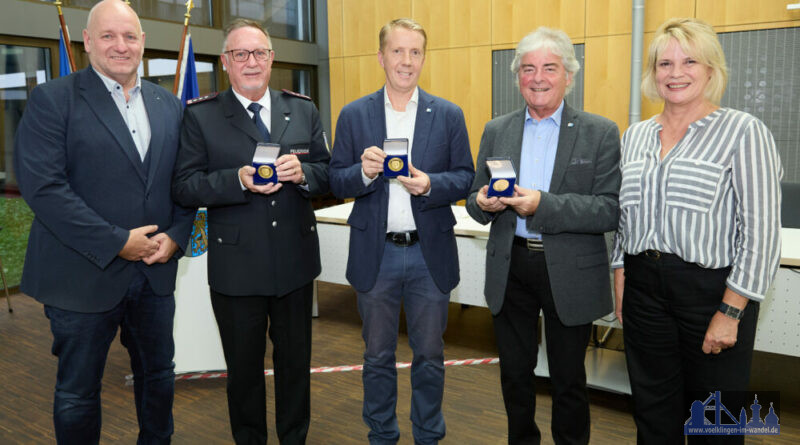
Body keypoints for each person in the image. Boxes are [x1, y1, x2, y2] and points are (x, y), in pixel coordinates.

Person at [12, 1, 194, 443]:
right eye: (108, 36)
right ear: (87, 41)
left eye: (130, 36)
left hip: (154, 274)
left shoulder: (169, 105)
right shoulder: (52, 100)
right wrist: (117, 241)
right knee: (77, 394)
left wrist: (176, 235)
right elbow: (45, 190)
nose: (121, 45)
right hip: (81, 274)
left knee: (158, 381)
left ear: (144, 44)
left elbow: (186, 182)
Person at [611, 18, 782, 444]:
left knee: (716, 423)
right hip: (643, 288)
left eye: (689, 61)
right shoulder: (636, 136)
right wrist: (620, 276)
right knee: (652, 415)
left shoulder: (744, 131)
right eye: (664, 63)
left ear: (711, 70)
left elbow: (761, 234)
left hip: (712, 293)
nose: (675, 73)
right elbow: (623, 218)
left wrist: (731, 311)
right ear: (652, 73)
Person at [171, 18, 330, 445]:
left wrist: (305, 173)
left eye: (259, 52)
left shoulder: (303, 109)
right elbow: (184, 186)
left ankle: (294, 438)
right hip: (237, 272)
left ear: (272, 58)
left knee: (295, 368)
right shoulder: (201, 117)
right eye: (240, 54)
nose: (251, 61)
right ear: (226, 62)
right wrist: (237, 179)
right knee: (243, 374)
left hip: (295, 266)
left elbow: (329, 174)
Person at [465, 27, 621, 445]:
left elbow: (609, 209)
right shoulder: (497, 129)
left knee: (569, 380)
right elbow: (473, 202)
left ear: (569, 75)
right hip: (511, 265)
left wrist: (543, 205)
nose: (538, 78)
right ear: (518, 76)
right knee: (514, 375)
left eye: (549, 68)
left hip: (568, 270)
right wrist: (483, 201)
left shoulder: (600, 132)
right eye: (528, 68)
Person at [328, 18, 474, 445]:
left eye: (415, 53)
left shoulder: (447, 114)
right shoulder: (354, 114)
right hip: (378, 254)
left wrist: (430, 184)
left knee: (430, 355)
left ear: (423, 58)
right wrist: (363, 172)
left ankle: (428, 435)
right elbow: (336, 181)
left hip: (430, 257)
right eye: (398, 51)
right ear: (381, 57)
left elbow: (465, 176)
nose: (406, 61)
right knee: (377, 358)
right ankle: (382, 436)